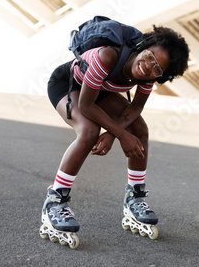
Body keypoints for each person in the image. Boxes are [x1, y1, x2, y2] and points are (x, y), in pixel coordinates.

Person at [39, 23, 190, 248]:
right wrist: (120, 134)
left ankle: (134, 199)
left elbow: (135, 107)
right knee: (89, 131)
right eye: (149, 57)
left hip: (100, 90)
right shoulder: (107, 56)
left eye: (157, 69)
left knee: (139, 130)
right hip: (69, 85)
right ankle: (55, 201)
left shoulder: (147, 77)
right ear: (145, 46)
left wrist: (112, 133)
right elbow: (86, 105)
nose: (147, 68)